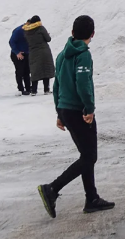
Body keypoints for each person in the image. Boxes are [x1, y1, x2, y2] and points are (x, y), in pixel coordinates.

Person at [38, 15, 114, 217]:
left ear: (72, 33)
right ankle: (52, 188)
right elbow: (82, 83)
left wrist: (59, 111)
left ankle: (92, 198)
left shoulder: (63, 54)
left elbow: (56, 86)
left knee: (86, 156)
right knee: (89, 156)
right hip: (78, 110)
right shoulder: (83, 55)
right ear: (92, 34)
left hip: (65, 109)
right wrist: (89, 108)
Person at [24, 16, 55, 94]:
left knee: (35, 70)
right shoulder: (41, 28)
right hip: (43, 51)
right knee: (45, 69)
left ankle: (34, 90)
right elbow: (48, 39)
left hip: (33, 52)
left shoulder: (27, 31)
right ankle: (46, 89)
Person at [9, 24, 32, 95]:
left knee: (27, 71)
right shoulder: (19, 30)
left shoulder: (31, 29)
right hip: (17, 54)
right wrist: (17, 52)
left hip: (26, 53)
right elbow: (11, 42)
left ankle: (28, 88)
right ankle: (20, 89)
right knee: (20, 71)